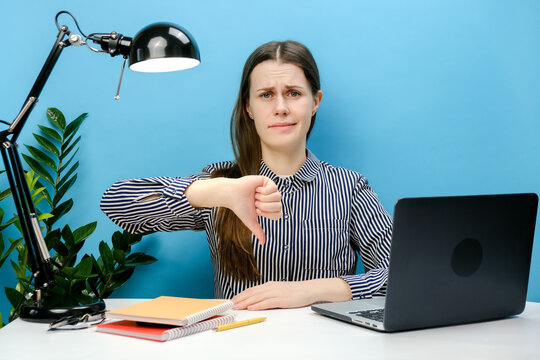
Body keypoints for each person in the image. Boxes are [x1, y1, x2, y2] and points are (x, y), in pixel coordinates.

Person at [100, 40, 392, 310]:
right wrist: (216, 192)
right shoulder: (219, 182)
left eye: (293, 93)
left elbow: (399, 276)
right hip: (235, 343)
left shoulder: (349, 188)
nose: (281, 108)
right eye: (266, 95)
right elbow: (117, 202)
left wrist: (314, 290)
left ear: (315, 102)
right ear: (249, 107)